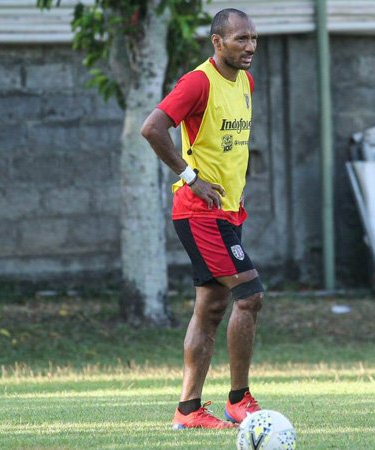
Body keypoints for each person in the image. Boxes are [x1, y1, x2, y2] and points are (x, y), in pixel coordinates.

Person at [140, 8, 262, 430]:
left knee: (210, 309)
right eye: (240, 39)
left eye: (253, 39)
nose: (249, 47)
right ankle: (238, 400)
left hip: (228, 211)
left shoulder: (244, 81)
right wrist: (190, 177)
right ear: (217, 42)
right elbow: (152, 127)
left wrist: (237, 184)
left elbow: (231, 145)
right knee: (250, 295)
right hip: (200, 213)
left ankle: (188, 411)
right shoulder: (197, 81)